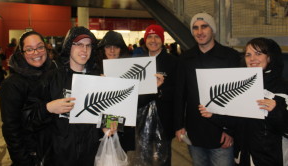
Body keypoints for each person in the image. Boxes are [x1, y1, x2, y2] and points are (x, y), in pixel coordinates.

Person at [29, 26, 116, 166]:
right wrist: (48, 108)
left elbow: (110, 111)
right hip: (59, 156)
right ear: (69, 46)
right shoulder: (52, 78)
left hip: (90, 155)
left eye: (88, 46)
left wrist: (109, 126)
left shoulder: (98, 77)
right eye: (79, 45)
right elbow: (28, 117)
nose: (84, 50)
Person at [199, 37, 288, 166]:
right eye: (248, 55)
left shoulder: (282, 88)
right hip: (244, 156)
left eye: (258, 53)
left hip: (272, 158)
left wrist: (276, 110)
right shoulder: (241, 85)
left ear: (269, 57)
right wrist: (213, 115)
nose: (252, 59)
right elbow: (235, 122)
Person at [174, 12, 241, 166]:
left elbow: (237, 99)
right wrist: (178, 125)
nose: (200, 32)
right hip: (195, 133)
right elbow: (180, 95)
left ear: (213, 30)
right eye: (195, 28)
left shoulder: (230, 57)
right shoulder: (185, 59)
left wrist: (230, 130)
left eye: (204, 27)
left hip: (221, 133)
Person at [0, 31, 51, 165]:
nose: (36, 52)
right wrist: (23, 161)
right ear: (21, 53)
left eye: (40, 47)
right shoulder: (12, 84)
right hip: (30, 155)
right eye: (29, 49)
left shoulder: (51, 75)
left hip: (50, 153)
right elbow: (11, 129)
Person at [136, 24, 177, 166]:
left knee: (163, 158)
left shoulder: (173, 61)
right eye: (150, 36)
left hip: (164, 119)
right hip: (141, 118)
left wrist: (160, 91)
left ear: (163, 40)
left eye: (157, 36)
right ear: (145, 40)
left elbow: (178, 91)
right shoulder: (138, 62)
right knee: (143, 157)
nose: (153, 40)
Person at [96, 30, 134, 153]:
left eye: (116, 47)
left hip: (123, 125)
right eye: (108, 46)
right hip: (99, 126)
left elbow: (135, 100)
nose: (112, 50)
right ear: (103, 49)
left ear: (121, 49)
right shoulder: (95, 70)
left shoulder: (131, 70)